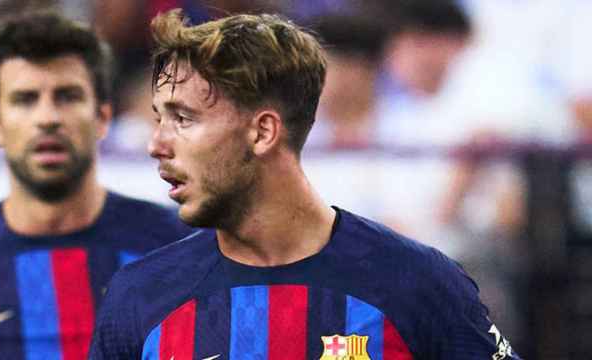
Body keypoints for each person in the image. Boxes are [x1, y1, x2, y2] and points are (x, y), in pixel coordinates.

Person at [90, 9, 522, 359]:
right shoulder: (139, 295)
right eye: (158, 117)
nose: (155, 144)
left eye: (183, 119)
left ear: (262, 133)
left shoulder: (419, 282)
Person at [0, 12, 192, 359]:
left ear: (103, 117)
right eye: (25, 99)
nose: (48, 118)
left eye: (67, 96)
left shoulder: (177, 248)